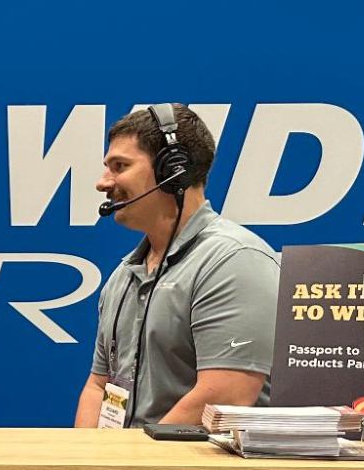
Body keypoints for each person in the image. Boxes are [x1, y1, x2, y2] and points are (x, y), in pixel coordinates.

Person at [76, 104, 278, 430]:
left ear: (173, 171)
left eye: (120, 166)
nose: (103, 183)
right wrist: (86, 467)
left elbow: (227, 394)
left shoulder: (234, 261)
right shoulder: (124, 276)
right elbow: (98, 386)